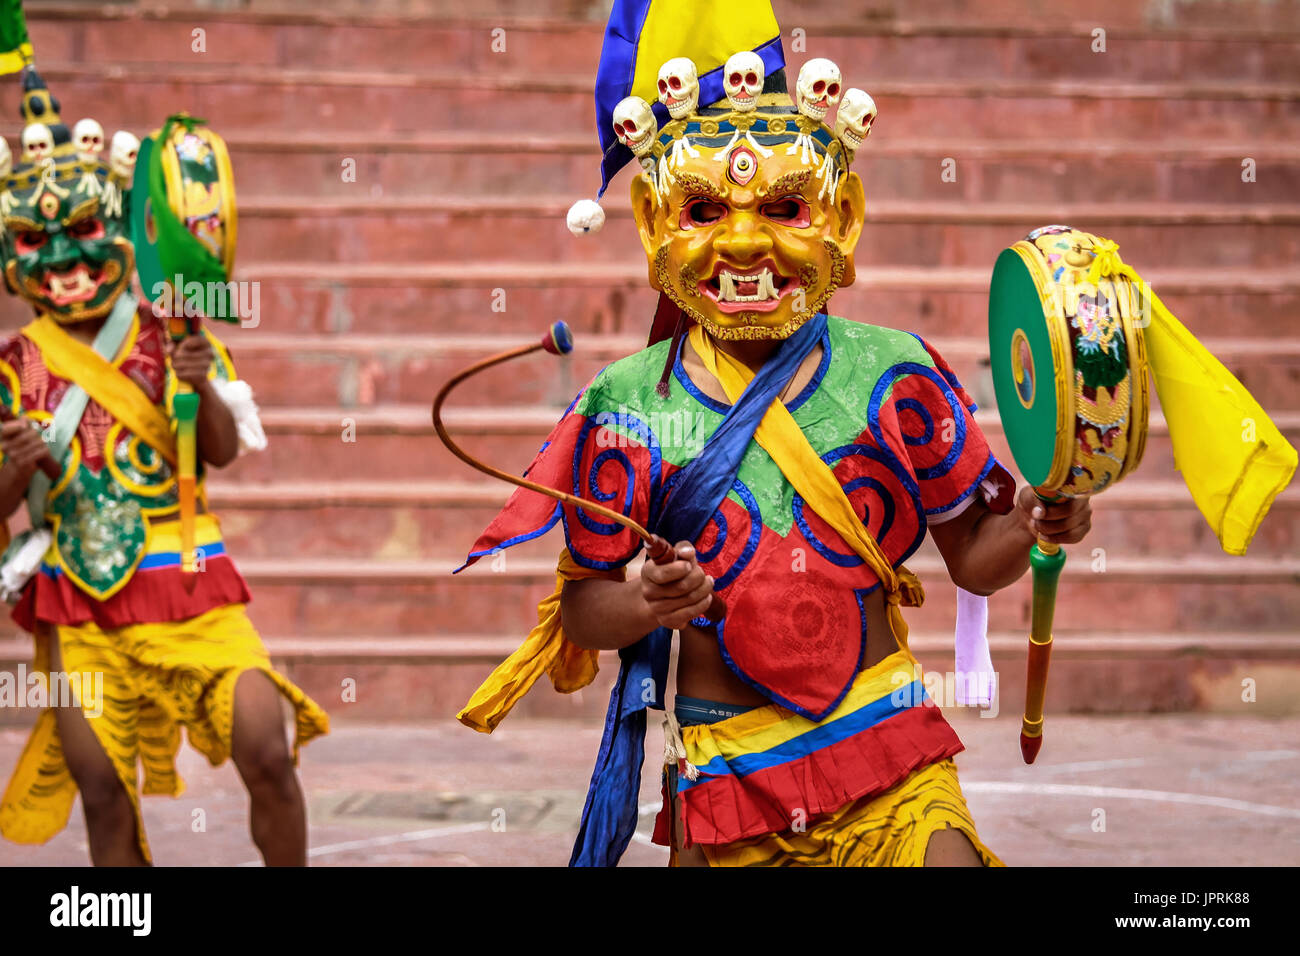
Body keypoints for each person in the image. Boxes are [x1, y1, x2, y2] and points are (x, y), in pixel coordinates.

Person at [453, 1, 1091, 866]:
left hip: (884, 741)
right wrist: (645, 599)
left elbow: (975, 556)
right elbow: (582, 607)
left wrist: (1032, 519)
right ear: (653, 226)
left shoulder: (894, 373)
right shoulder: (629, 405)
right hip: (726, 766)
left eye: (787, 206)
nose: (746, 242)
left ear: (845, 217)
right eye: (707, 210)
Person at [0, 65, 328, 866]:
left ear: (122, 228)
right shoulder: (12, 366)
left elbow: (217, 451)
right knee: (103, 796)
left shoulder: (171, 329)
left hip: (194, 590)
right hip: (81, 608)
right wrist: (17, 469)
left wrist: (199, 385)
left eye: (84, 230)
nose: (64, 257)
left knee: (269, 756)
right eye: (37, 240)